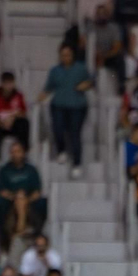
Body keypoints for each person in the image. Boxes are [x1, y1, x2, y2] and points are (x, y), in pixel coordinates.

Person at [40, 45, 92, 178]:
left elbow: (91, 81)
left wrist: (85, 85)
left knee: (75, 134)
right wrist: (38, 99)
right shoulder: (55, 70)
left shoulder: (81, 68)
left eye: (68, 54)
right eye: (63, 55)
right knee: (57, 129)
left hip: (77, 106)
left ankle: (77, 164)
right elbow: (48, 88)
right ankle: (61, 151)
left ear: (72, 55)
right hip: (58, 105)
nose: (65, 57)